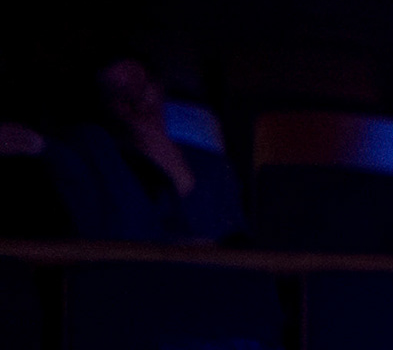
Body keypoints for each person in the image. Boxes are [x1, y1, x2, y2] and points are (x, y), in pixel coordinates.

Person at [21, 51, 243, 245]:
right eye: (118, 93)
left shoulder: (212, 166)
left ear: (157, 87)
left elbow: (228, 240)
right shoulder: (97, 160)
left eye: (140, 86)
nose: (135, 101)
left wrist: (180, 174)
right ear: (105, 105)